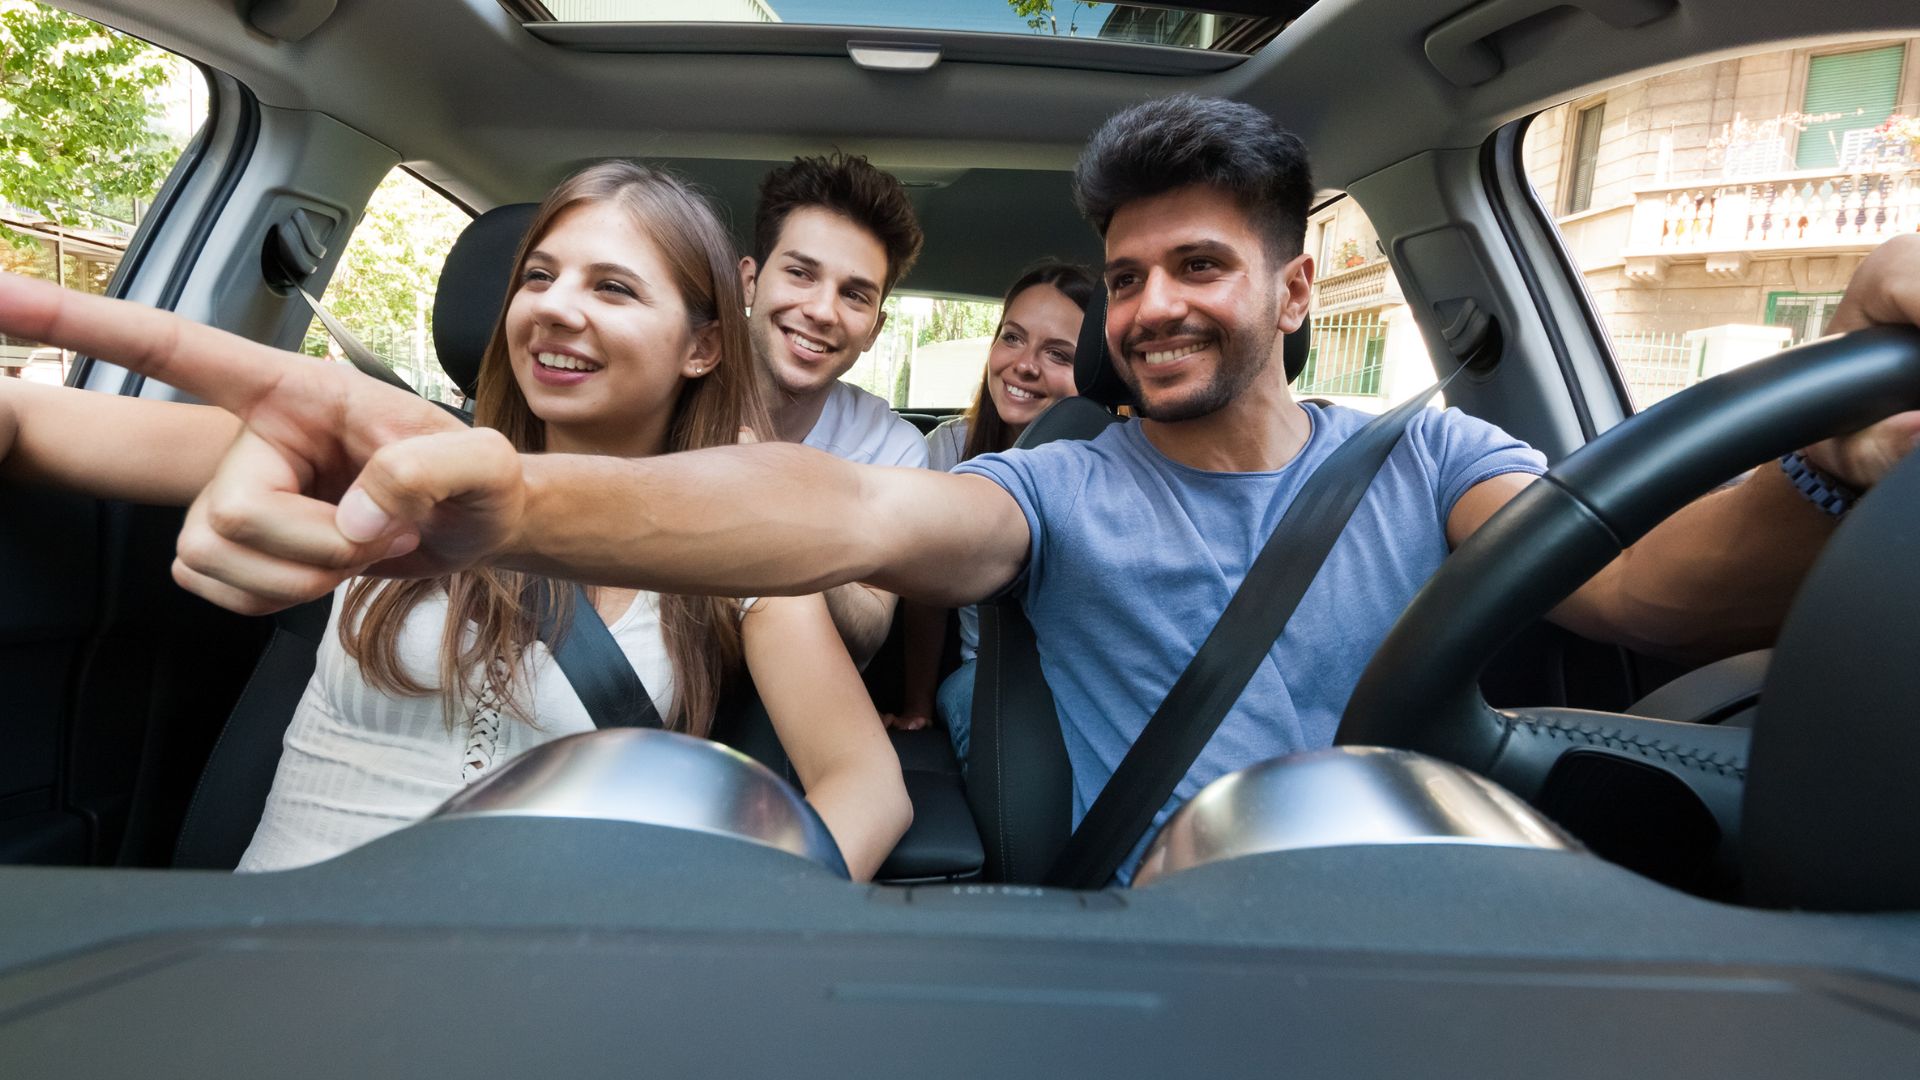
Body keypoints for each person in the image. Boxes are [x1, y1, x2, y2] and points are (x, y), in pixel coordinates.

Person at [8, 97, 1920, 886]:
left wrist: (1835, 470)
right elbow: (845, 523)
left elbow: (1650, 597)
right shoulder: (1055, 492)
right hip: (1143, 921)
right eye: (1132, 273)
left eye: (1201, 267)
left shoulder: (1437, 460)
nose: (1156, 306)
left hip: (1412, 893)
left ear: (1292, 286)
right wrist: (498, 505)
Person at [0, 162, 912, 880]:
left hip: (520, 991)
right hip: (266, 959)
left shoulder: (731, 551)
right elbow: (32, 425)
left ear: (702, 345)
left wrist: (714, 941)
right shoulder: (381, 458)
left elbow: (867, 787)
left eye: (614, 289)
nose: (556, 304)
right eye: (541, 277)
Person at [882, 261, 1095, 773]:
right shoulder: (950, 447)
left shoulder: (1117, 463)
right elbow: (926, 592)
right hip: (986, 675)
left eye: (1058, 354)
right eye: (1013, 338)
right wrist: (917, 703)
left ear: (1096, 369)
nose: (1024, 365)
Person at [738, 153, 930, 665]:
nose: (823, 311)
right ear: (749, 282)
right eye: (801, 273)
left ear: (875, 329)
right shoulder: (669, 395)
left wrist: (779, 505)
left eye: (855, 295)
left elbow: (867, 631)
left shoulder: (892, 448)